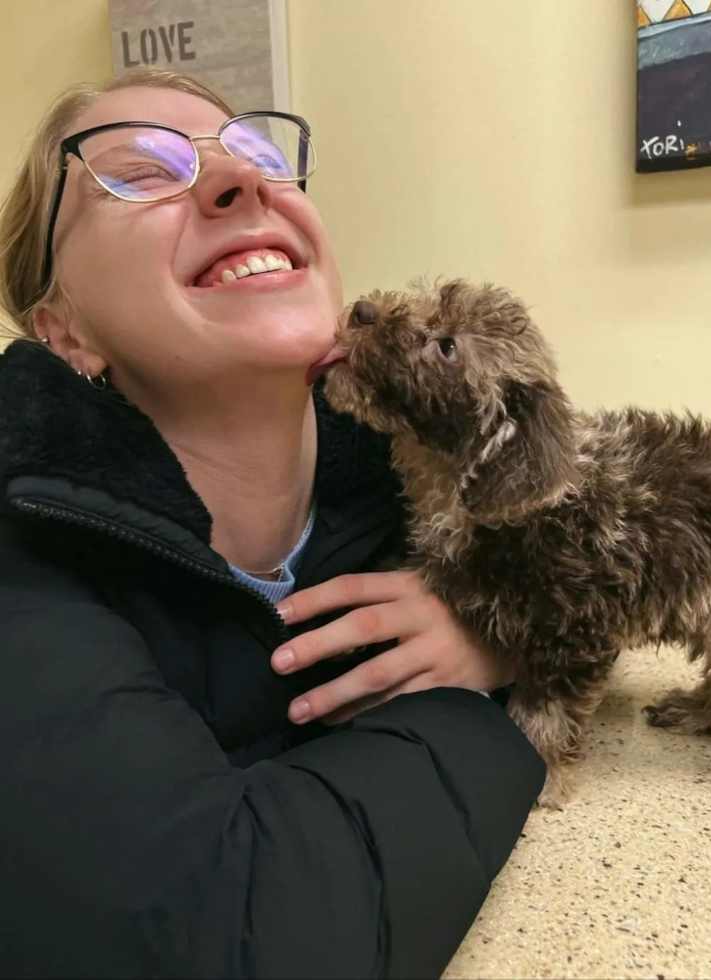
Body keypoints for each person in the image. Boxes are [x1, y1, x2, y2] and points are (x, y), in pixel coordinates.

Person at [0, 67, 545, 979]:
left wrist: (502, 630)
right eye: (138, 170)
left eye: (257, 154)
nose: (238, 179)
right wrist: (478, 700)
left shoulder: (437, 482)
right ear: (65, 335)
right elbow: (235, 934)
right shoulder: (23, 553)